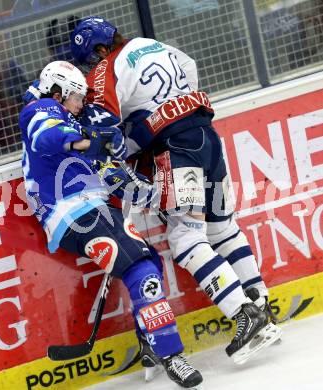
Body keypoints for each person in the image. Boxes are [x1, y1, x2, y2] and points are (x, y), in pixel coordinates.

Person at [70, 16, 282, 368]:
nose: (89, 70)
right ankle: (261, 305)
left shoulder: (108, 65)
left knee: (185, 236)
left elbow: (102, 124)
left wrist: (105, 150)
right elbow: (189, 74)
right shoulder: (157, 47)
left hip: (177, 150)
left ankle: (244, 315)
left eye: (89, 60)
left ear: (99, 49)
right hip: (206, 138)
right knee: (222, 227)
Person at [19, 60, 203, 389]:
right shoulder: (41, 108)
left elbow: (102, 167)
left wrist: (108, 158)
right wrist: (90, 141)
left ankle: (150, 340)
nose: (81, 103)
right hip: (75, 215)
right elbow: (47, 136)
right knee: (141, 271)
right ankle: (171, 354)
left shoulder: (68, 121)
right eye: (76, 96)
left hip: (92, 210)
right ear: (58, 93)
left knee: (149, 261)